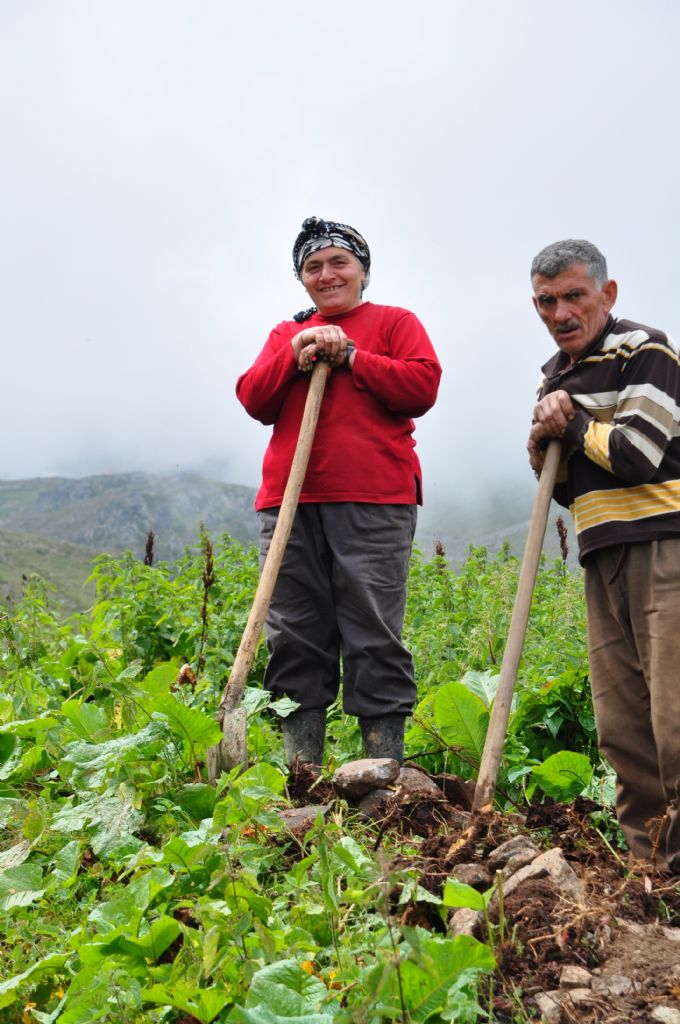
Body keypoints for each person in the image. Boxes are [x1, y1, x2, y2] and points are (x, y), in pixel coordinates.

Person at [236, 217, 441, 768]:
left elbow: (422, 386)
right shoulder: (286, 333)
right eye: (313, 266)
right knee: (294, 631)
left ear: (363, 272)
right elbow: (253, 399)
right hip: (289, 502)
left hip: (374, 499)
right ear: (302, 279)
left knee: (372, 626)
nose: (327, 275)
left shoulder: (395, 323)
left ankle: (380, 772)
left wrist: (351, 356)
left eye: (339, 262)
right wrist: (297, 350)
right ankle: (302, 771)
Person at [527, 238, 680, 872]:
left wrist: (565, 426)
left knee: (674, 716)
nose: (560, 313)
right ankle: (653, 875)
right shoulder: (554, 376)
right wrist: (542, 442)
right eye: (545, 301)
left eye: (573, 296)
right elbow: (561, 486)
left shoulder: (645, 350)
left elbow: (637, 455)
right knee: (623, 726)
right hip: (601, 553)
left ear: (606, 295)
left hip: (663, 549)